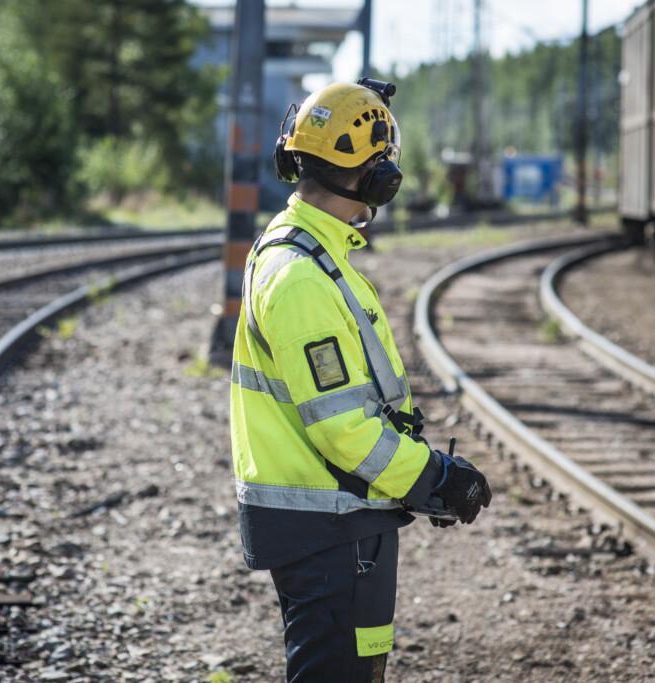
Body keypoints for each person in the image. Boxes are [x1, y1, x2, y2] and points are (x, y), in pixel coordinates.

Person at [229, 79, 492, 683]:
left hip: (337, 515)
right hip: (330, 521)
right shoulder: (301, 278)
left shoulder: (306, 250)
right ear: (377, 178)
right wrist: (435, 478)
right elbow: (345, 430)